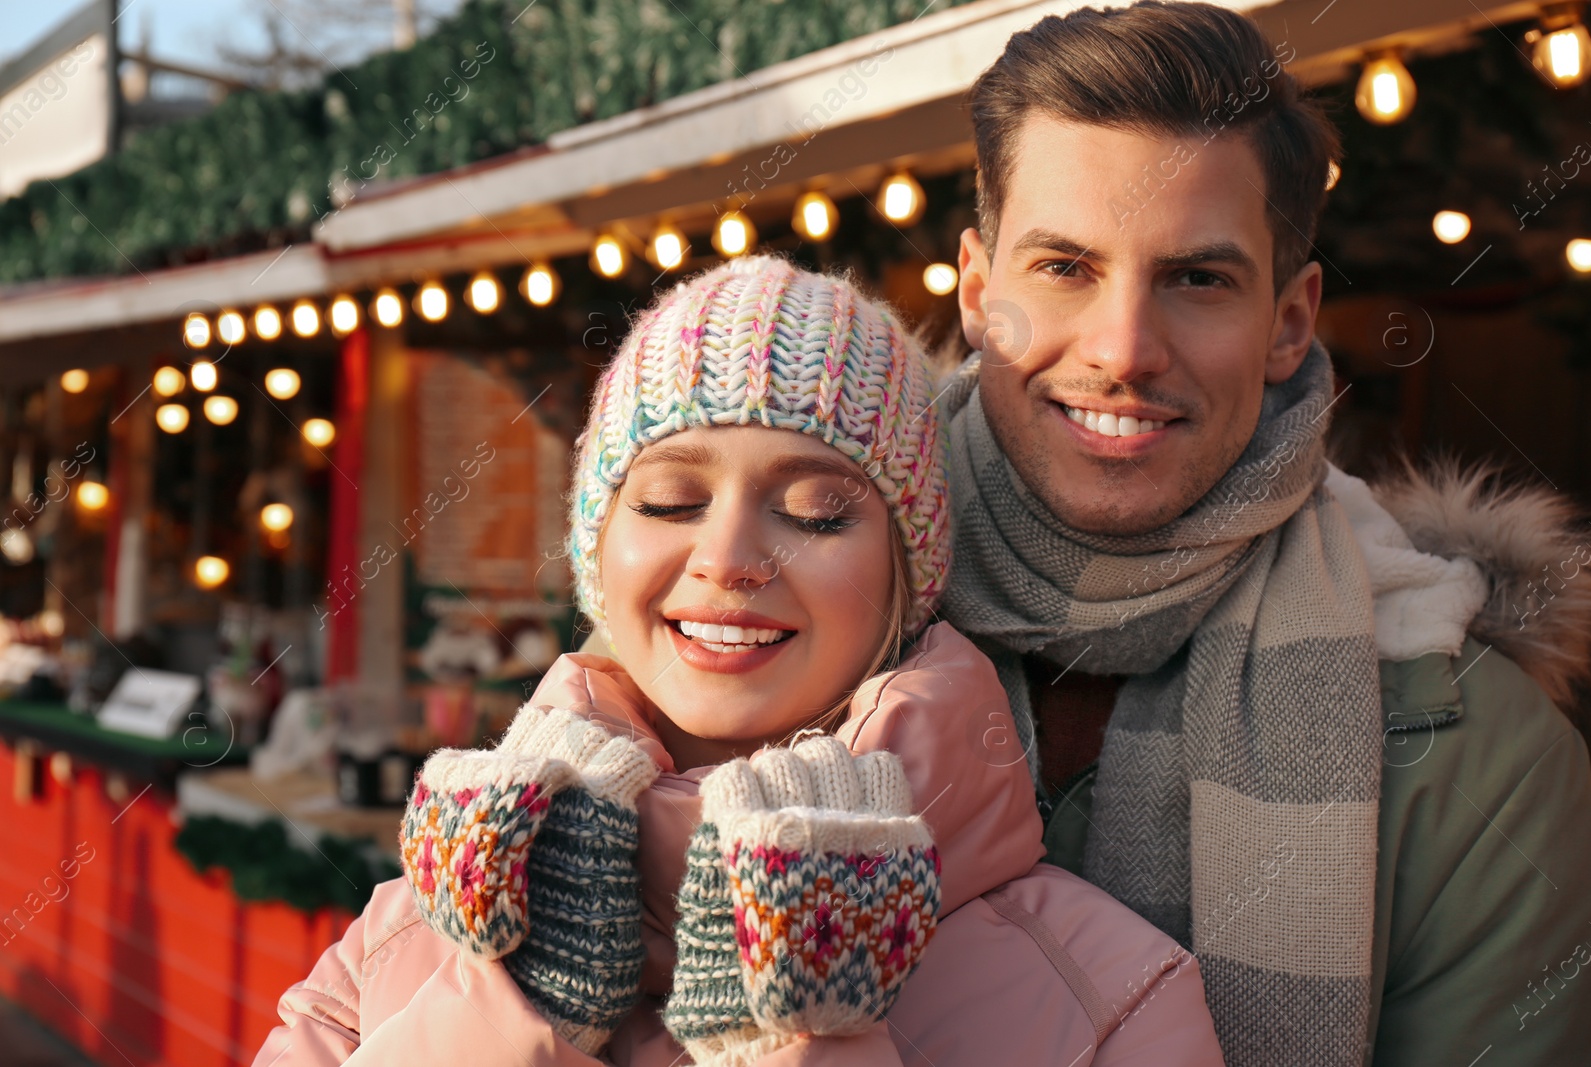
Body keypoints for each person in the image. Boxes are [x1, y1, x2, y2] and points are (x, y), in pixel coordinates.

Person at [252, 256, 1227, 1066]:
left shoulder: (1111, 1003)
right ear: (599, 551)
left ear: (906, 568)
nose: (725, 558)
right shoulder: (414, 932)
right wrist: (509, 1007)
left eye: (814, 513)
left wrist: (803, 1031)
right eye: (671, 500)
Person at [941, 3, 1591, 1065]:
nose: (1123, 350)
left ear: (1289, 321)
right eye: (1064, 267)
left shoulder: (1486, 766)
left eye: (1196, 278)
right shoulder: (765, 617)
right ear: (979, 292)